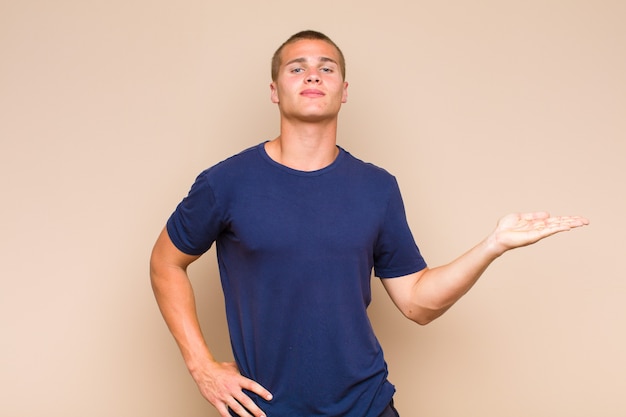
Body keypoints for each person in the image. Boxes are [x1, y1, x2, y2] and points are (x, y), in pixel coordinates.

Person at [150, 30, 589, 417]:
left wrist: (493, 244)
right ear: (274, 90)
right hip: (265, 409)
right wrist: (201, 365)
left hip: (367, 406)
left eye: (327, 67)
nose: (312, 75)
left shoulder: (377, 188)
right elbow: (165, 263)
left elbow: (417, 302)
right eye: (296, 67)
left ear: (343, 90)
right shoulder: (226, 182)